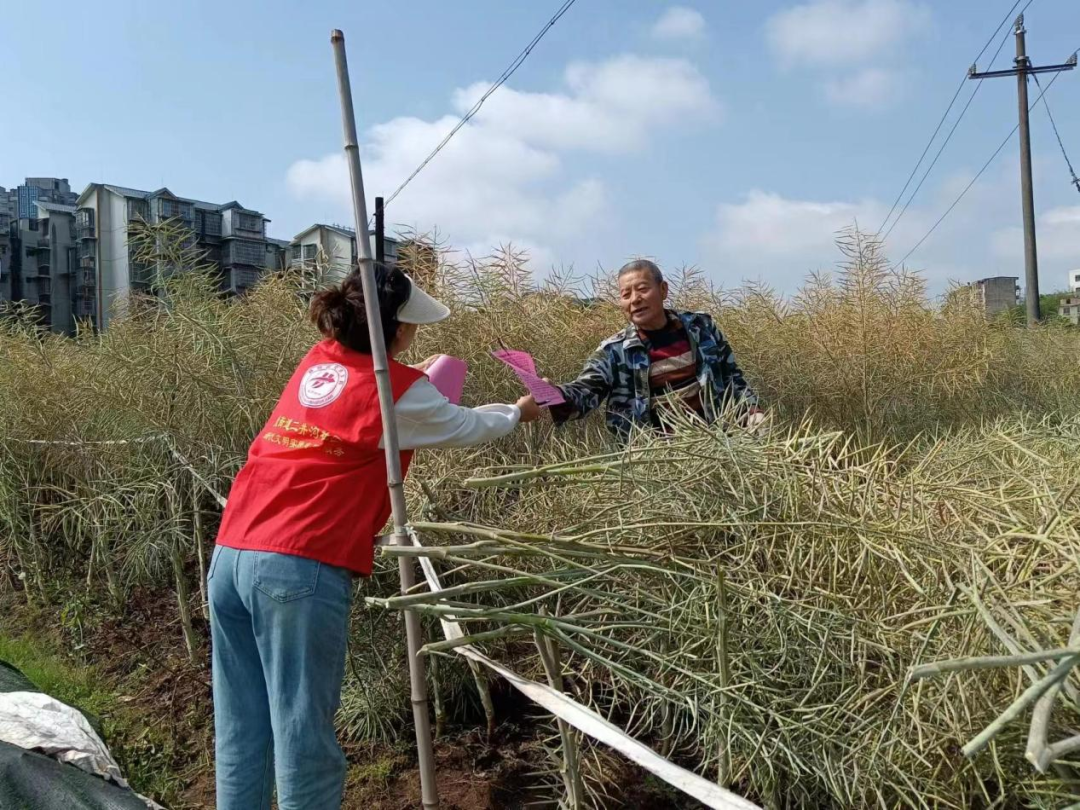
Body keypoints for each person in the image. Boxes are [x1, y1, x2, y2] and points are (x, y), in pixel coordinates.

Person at [208, 265, 539, 810]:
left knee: (242, 722)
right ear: (398, 330)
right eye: (412, 325)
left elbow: (365, 401)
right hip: (298, 562)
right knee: (302, 731)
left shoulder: (318, 361)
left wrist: (415, 381)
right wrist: (517, 412)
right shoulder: (396, 392)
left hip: (233, 552)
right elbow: (465, 426)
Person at [543, 258, 763, 442]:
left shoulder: (701, 328)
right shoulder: (615, 351)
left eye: (642, 289)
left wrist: (753, 412)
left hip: (717, 444)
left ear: (663, 290)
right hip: (654, 461)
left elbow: (733, 377)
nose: (635, 300)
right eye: (625, 295)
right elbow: (585, 392)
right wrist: (551, 396)